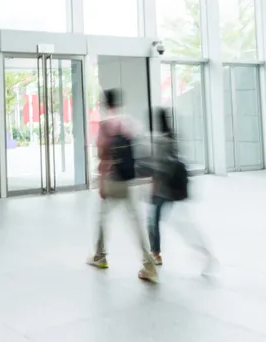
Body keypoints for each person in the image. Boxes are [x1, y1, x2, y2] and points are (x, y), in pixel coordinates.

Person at [87, 89, 158, 283]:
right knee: (136, 223)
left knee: (103, 218)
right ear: (118, 103)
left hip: (111, 179)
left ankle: (100, 256)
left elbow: (102, 156)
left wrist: (101, 183)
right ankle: (149, 265)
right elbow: (141, 149)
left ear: (105, 104)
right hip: (128, 179)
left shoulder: (104, 125)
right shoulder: (128, 123)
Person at [146, 108, 215, 274]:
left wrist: (153, 187)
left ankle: (156, 254)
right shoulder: (173, 137)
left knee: (153, 222)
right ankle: (205, 252)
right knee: (184, 225)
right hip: (176, 189)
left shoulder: (159, 141)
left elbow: (159, 167)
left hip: (163, 190)